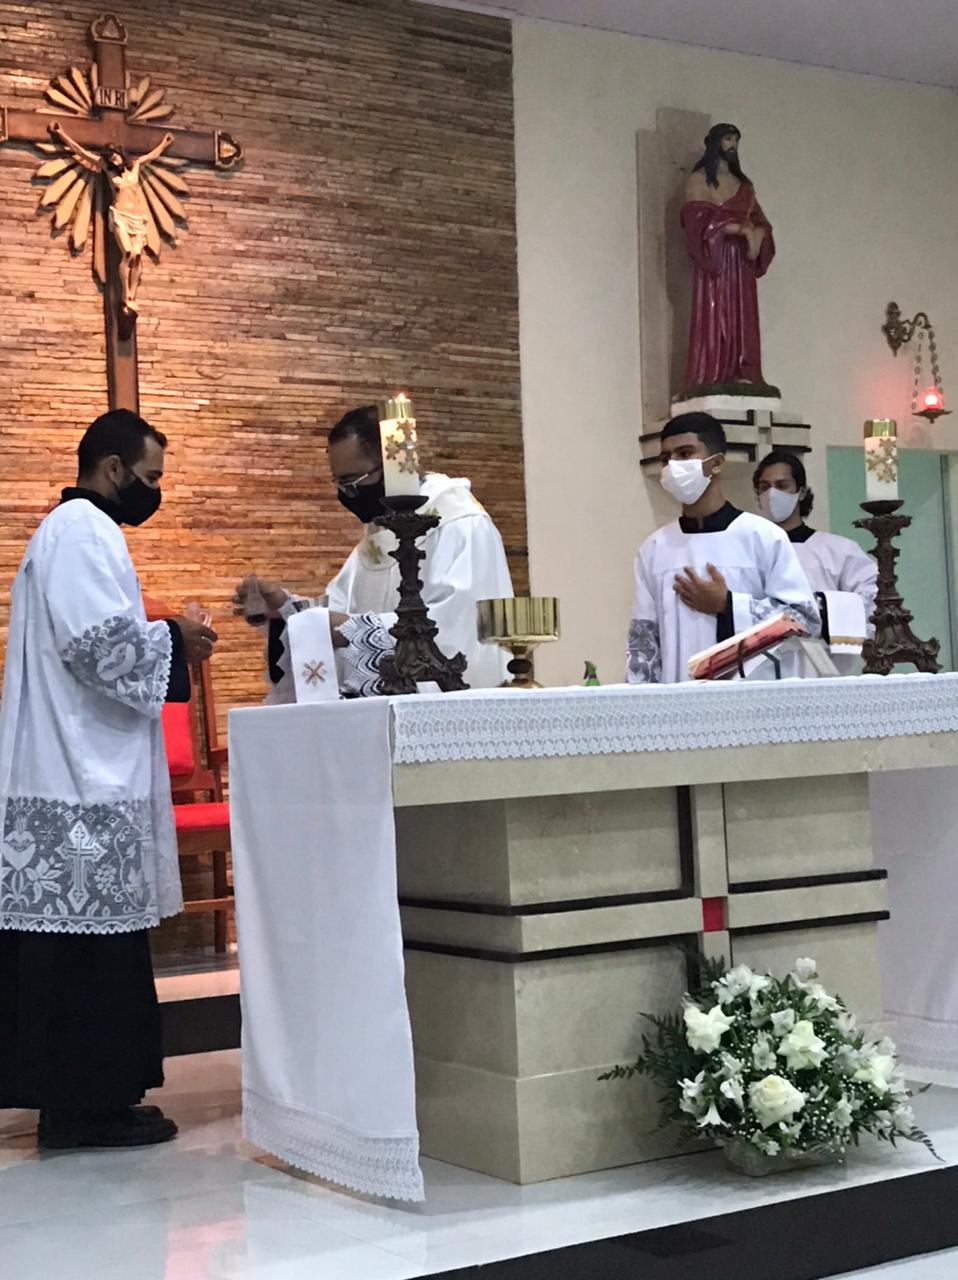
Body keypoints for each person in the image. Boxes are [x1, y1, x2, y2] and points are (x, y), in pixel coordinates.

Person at [0, 409, 217, 1150]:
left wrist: (169, 640)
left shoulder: (76, 530)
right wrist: (178, 638)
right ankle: (83, 1108)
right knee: (87, 954)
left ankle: (94, 1100)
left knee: (94, 947)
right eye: (150, 477)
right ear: (114, 468)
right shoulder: (82, 531)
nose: (154, 491)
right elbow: (99, 649)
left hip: (80, 770)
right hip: (77, 779)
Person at [236, 404, 513, 696]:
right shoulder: (379, 535)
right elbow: (340, 609)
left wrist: (349, 631)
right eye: (339, 483)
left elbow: (456, 626)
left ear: (390, 467)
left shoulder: (458, 523)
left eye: (352, 481)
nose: (346, 494)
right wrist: (285, 609)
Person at [626, 412, 818, 683]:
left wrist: (728, 605)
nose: (673, 465)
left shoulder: (763, 537)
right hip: (678, 700)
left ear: (716, 463)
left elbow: (804, 620)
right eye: (666, 458)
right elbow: (644, 646)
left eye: (685, 453)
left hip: (751, 699)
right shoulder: (654, 549)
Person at [754, 449, 878, 673]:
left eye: (782, 486)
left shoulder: (839, 551)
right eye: (764, 487)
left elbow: (872, 602)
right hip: (761, 673)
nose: (772, 494)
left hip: (823, 671)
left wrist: (820, 610)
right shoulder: (749, 552)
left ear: (801, 492)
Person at [680, 124, 775, 392]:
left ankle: (743, 369)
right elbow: (695, 222)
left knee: (743, 314)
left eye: (736, 140)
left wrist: (757, 234)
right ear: (715, 143)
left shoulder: (744, 186)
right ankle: (714, 370)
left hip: (741, 262)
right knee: (717, 312)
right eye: (728, 139)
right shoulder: (699, 180)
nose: (733, 145)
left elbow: (761, 221)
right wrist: (735, 229)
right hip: (717, 260)